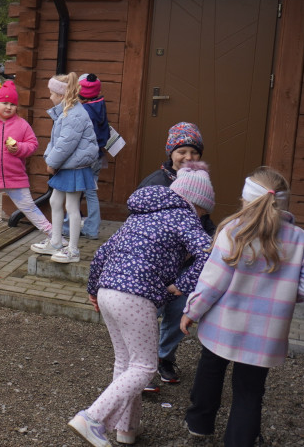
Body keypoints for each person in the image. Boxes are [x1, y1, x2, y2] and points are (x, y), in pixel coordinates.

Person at [70, 163, 215, 447]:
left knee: (125, 363)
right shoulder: (183, 216)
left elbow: (101, 253)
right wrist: (182, 286)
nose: (201, 219)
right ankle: (92, 418)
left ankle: (126, 430)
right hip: (136, 296)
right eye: (203, 212)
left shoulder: (141, 217)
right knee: (145, 367)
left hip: (107, 290)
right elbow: (209, 254)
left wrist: (92, 289)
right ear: (195, 204)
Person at [181, 167, 304, 446]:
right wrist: (286, 293)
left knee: (210, 368)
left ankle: (199, 424)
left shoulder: (233, 231)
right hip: (265, 335)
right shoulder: (300, 239)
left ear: (246, 199)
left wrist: (191, 312)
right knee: (249, 392)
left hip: (223, 325)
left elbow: (212, 282)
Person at [137, 121, 216, 390]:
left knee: (177, 314)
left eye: (194, 153)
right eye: (183, 151)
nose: (188, 158)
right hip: (156, 266)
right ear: (171, 151)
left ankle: (164, 358)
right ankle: (142, 365)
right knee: (148, 314)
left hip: (186, 267)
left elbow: (205, 220)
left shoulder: (199, 179)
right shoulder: (155, 182)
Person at [0, 81, 52, 244]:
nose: (8, 107)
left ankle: (52, 235)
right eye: (4, 103)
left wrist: (19, 148)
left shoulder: (22, 124)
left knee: (29, 207)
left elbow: (33, 144)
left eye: (13, 104)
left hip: (15, 178)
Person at [30, 72, 98, 264]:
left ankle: (73, 249)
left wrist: (51, 163)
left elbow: (65, 144)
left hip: (74, 168)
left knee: (72, 207)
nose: (49, 96)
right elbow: (57, 141)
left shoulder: (73, 115)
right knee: (54, 201)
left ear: (61, 95)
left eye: (51, 93)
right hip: (67, 166)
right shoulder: (67, 112)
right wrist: (51, 159)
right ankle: (56, 241)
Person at [62, 74, 110, 241]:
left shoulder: (84, 111)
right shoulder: (100, 105)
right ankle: (92, 229)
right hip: (97, 156)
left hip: (84, 157)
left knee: (74, 190)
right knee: (91, 192)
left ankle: (68, 227)